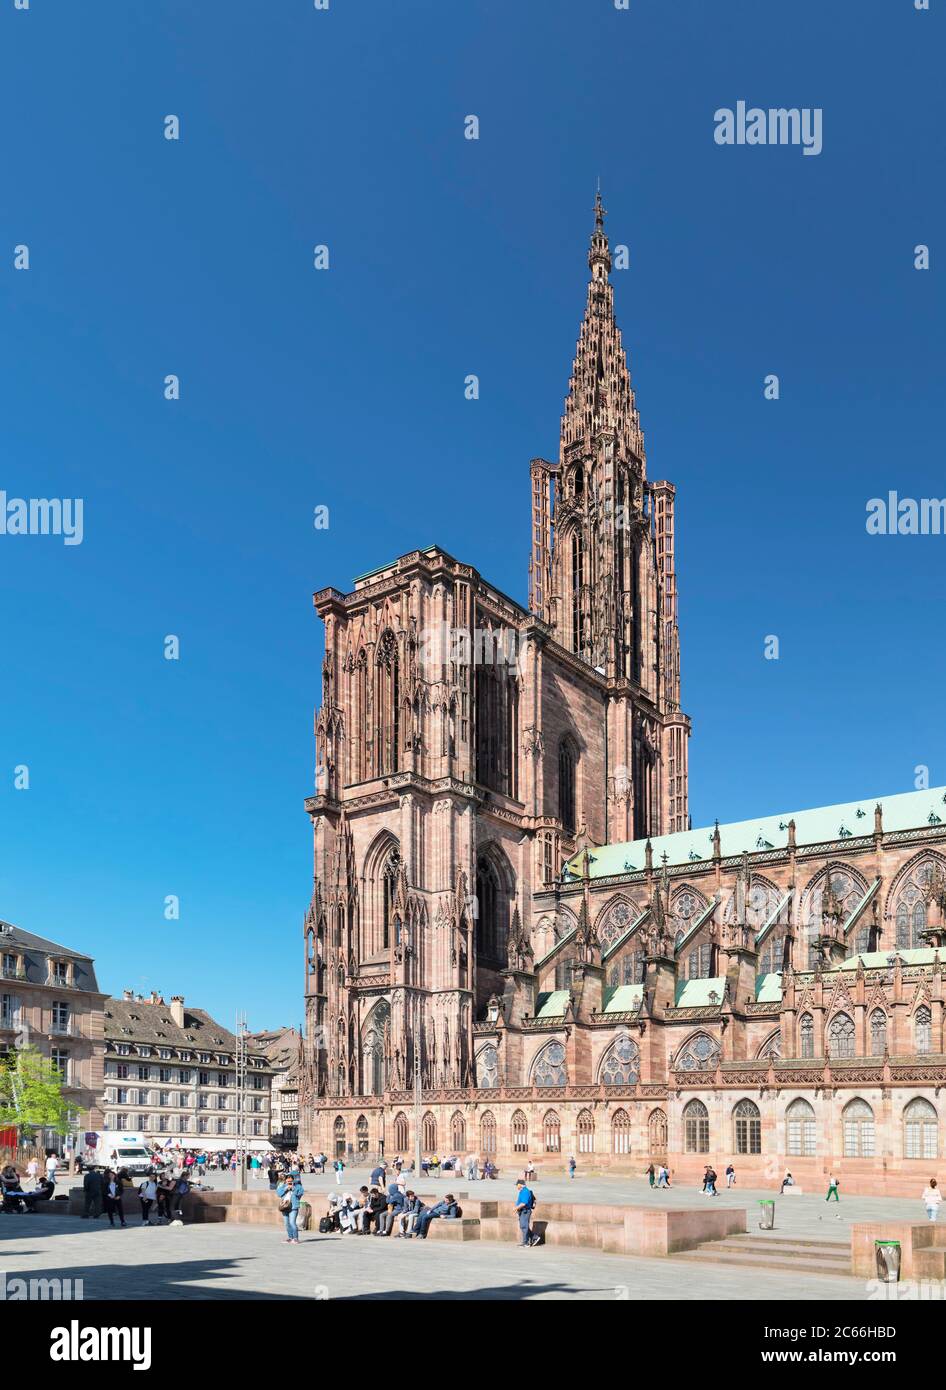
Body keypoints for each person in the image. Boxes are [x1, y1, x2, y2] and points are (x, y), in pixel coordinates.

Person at [277, 1170, 304, 1244]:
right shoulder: (283, 1186)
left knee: (292, 1222)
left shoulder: (298, 1186)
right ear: (285, 1180)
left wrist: (293, 1189)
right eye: (287, 1180)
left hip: (293, 1207)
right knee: (287, 1223)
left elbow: (300, 1194)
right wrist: (285, 1189)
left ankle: (295, 1238)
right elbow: (279, 1194)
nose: (289, 1182)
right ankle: (290, 1237)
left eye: (290, 1180)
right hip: (285, 1206)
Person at [515, 1178, 538, 1247]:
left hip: (525, 1211)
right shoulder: (522, 1191)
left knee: (524, 1226)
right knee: (523, 1226)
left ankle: (526, 1243)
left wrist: (515, 1208)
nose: (516, 1186)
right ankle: (534, 1237)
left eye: (517, 1185)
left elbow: (523, 1203)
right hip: (522, 1211)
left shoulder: (525, 1191)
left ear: (521, 1185)